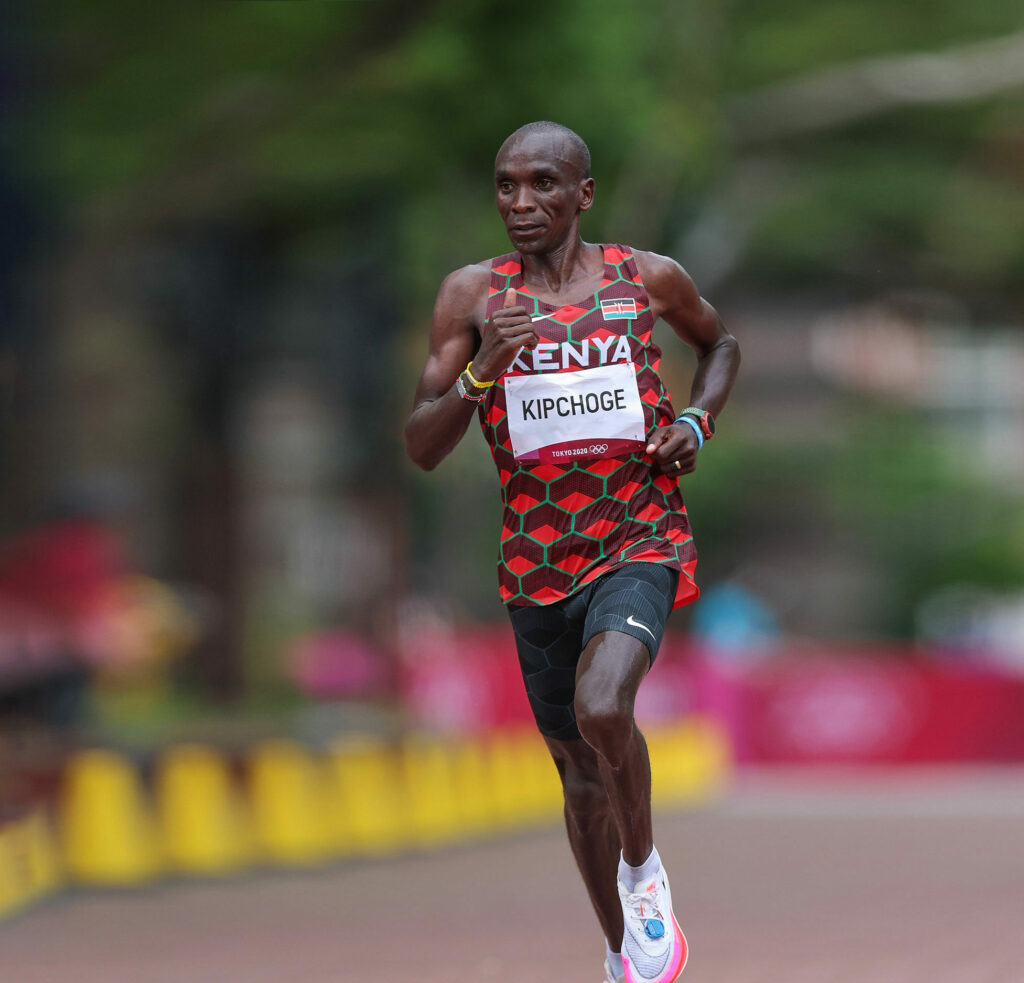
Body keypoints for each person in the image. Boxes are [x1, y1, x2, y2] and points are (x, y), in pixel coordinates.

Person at [405, 121, 740, 983]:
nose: (523, 203)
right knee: (579, 778)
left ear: (582, 194)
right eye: (508, 185)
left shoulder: (645, 278)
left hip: (640, 532)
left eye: (544, 184)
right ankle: (622, 948)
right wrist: (483, 372)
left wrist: (697, 419)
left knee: (604, 705)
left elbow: (721, 343)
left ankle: (644, 870)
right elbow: (421, 442)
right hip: (535, 561)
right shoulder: (473, 296)